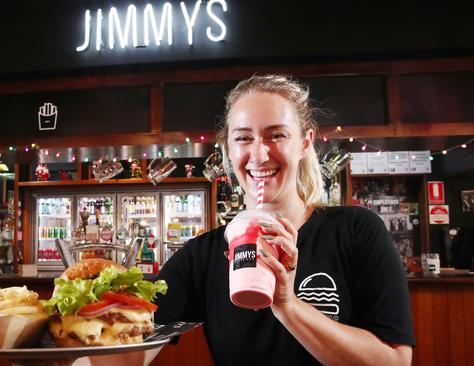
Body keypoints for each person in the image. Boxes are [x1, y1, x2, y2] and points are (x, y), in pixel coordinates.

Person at [154, 74, 415, 365]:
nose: (259, 154)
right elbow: (127, 347)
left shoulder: (356, 230)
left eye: (276, 135)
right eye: (243, 138)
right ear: (228, 148)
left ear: (305, 142)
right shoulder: (201, 256)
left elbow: (395, 360)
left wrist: (287, 305)